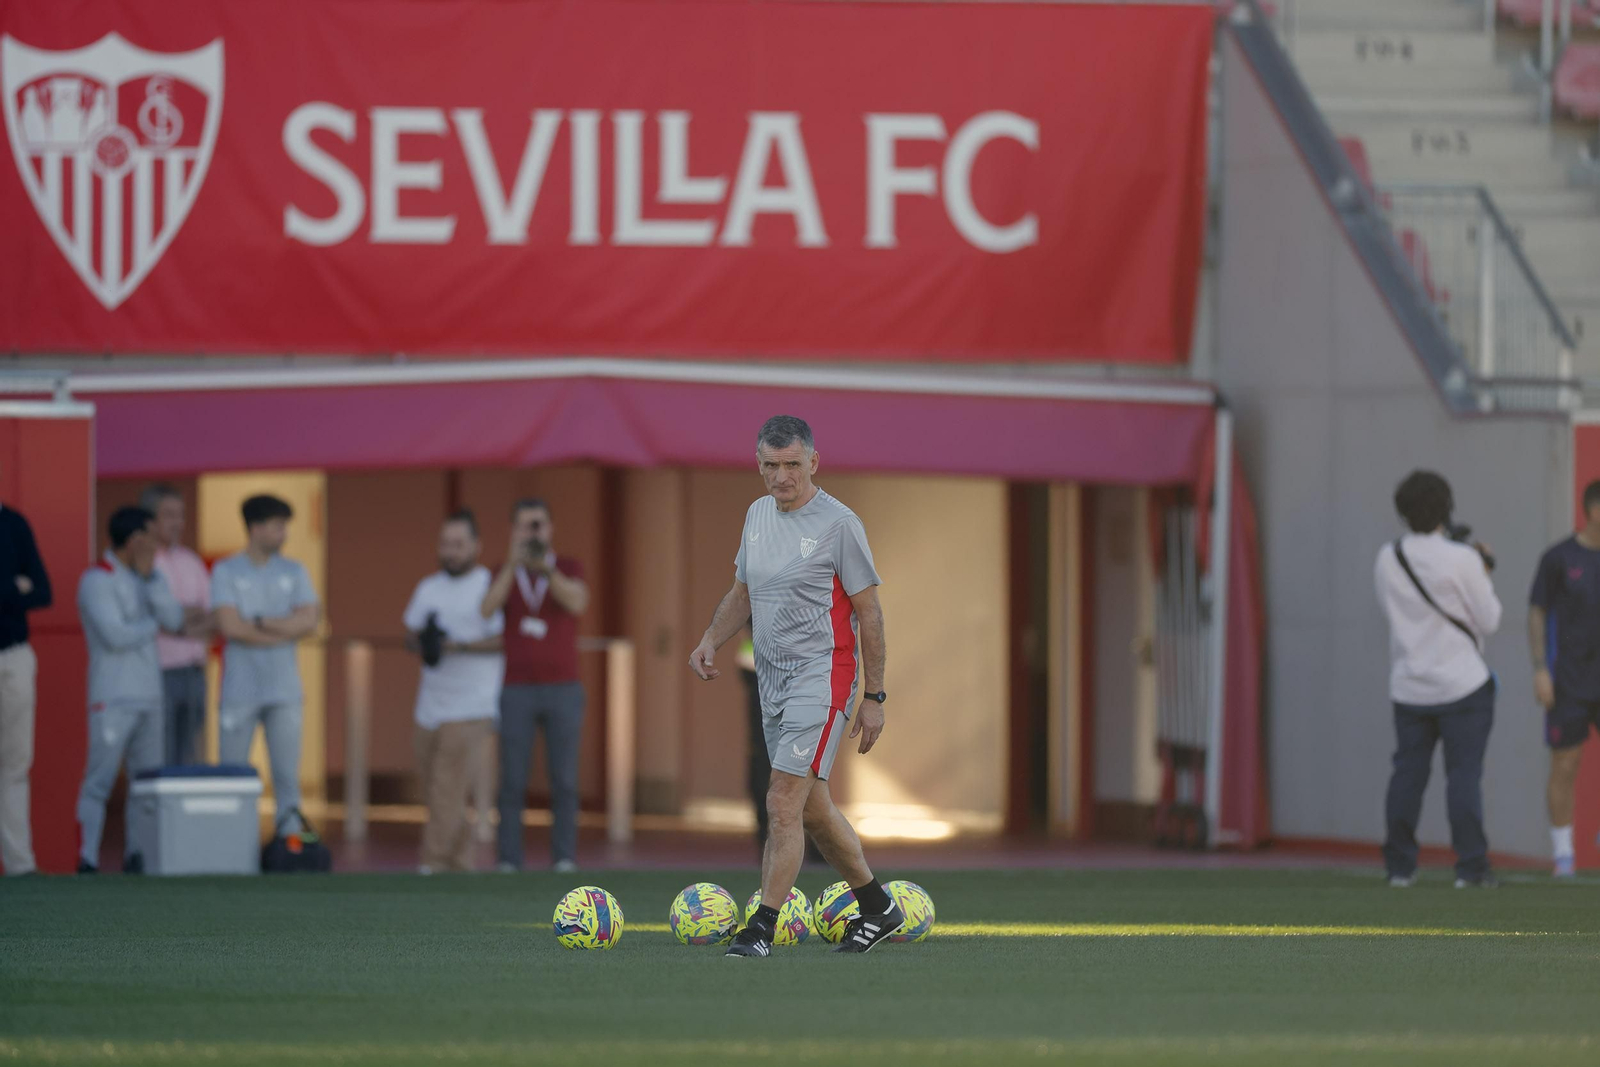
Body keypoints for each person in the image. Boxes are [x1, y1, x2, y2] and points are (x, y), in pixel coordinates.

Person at [689, 415, 898, 956]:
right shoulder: (757, 514)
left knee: (781, 801)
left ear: (814, 463)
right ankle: (879, 908)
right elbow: (743, 592)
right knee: (812, 808)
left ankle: (760, 927)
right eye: (769, 465)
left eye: (791, 465)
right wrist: (711, 637)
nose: (781, 477)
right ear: (758, 463)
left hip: (823, 679)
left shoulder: (839, 524)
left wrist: (874, 698)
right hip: (771, 682)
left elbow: (870, 614)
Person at [1374, 470, 1501, 889]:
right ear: (1446, 509)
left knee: (1407, 775)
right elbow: (1490, 619)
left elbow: (1391, 612)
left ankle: (1399, 868)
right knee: (1463, 776)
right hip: (1463, 684)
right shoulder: (1463, 559)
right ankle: (1470, 869)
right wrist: (1482, 569)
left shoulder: (1388, 557)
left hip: (1410, 684)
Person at [480, 499, 589, 873]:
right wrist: (513, 565)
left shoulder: (567, 566)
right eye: (526, 526)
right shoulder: (503, 572)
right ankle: (508, 858)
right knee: (511, 777)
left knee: (565, 778)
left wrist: (545, 569)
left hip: (563, 688)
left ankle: (564, 857)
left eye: (539, 525)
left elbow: (576, 602)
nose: (534, 533)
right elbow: (486, 608)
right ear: (514, 531)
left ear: (551, 529)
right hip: (517, 689)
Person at [75, 506, 183, 873]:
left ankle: (137, 855)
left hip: (149, 695)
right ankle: (86, 857)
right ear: (135, 539)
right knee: (99, 780)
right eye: (151, 535)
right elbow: (115, 636)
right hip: (112, 695)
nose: (157, 543)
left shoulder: (151, 576)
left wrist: (151, 580)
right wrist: (151, 625)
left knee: (145, 782)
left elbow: (175, 619)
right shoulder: (96, 579)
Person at [210, 495, 320, 832]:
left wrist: (255, 622)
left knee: (287, 776)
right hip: (239, 690)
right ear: (255, 528)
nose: (284, 534)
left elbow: (309, 622)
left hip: (284, 691)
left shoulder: (295, 570)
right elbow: (229, 626)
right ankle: (231, 845)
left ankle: (289, 845)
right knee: (233, 773)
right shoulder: (226, 570)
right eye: (277, 526)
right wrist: (283, 628)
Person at [403, 510, 504, 874]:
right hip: (429, 705)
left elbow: (504, 638)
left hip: (472, 705)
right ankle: (460, 865)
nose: (451, 551)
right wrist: (426, 640)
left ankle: (431, 865)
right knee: (438, 791)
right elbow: (410, 633)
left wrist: (458, 646)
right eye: (446, 544)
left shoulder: (489, 586)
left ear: (476, 546)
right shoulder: (427, 588)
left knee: (446, 786)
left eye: (459, 544)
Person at [1529, 479, 1600, 878]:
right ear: (1593, 511)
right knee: (1566, 763)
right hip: (1569, 680)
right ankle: (1563, 857)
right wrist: (1540, 668)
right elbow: (1537, 612)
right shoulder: (1558, 558)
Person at [141, 485, 212, 766]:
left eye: (180, 515)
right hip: (158, 674)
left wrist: (177, 620)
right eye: (169, 515)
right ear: (150, 519)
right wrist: (183, 617)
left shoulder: (191, 561)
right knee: (161, 753)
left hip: (194, 673)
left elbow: (213, 617)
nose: (178, 523)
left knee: (191, 753)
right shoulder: (145, 565)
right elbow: (151, 617)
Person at [0, 483, 51, 877]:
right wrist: (12, 586)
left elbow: (42, 590)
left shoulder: (14, 524)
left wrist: (13, 590)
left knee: (15, 762)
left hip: (13, 655)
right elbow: (23, 588)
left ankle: (20, 864)